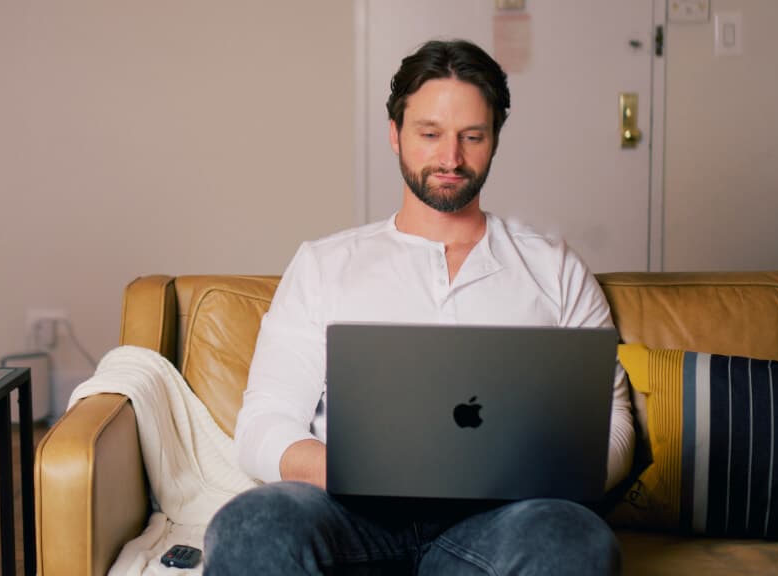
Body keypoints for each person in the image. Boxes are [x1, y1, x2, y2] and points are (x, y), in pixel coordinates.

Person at [204, 39, 634, 575]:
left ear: (495, 140)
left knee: (575, 541)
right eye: (429, 134)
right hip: (346, 514)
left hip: (501, 522)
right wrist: (351, 469)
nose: (450, 159)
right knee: (250, 526)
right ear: (395, 135)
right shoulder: (323, 263)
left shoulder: (555, 267)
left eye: (471, 137)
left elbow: (613, 425)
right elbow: (262, 425)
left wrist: (525, 473)